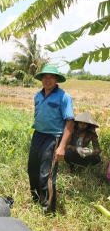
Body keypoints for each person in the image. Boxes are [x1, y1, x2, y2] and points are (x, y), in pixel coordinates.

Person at [28, 64, 74, 213]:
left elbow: (69, 122)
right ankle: (36, 200)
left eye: (51, 77)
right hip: (37, 135)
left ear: (56, 79)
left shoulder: (64, 97)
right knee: (33, 170)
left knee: (46, 175)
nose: (48, 80)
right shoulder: (38, 95)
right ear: (42, 78)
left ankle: (48, 209)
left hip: (53, 138)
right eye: (45, 77)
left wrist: (61, 146)